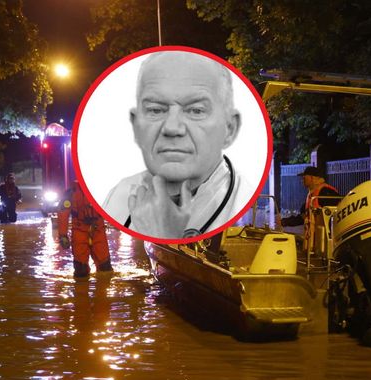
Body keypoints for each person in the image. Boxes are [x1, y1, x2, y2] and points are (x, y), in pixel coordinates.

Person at [102, 50, 256, 239]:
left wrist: (162, 236)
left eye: (196, 110)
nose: (172, 128)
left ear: (229, 129)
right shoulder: (118, 195)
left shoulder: (245, 205)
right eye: (156, 110)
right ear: (136, 126)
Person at [58, 181, 113, 278]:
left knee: (105, 268)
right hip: (80, 230)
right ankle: (82, 291)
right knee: (81, 270)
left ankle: (102, 289)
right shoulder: (71, 193)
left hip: (98, 229)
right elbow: (63, 213)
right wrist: (63, 235)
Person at [281, 166, 340, 249]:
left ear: (312, 178)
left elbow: (334, 217)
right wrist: (285, 222)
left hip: (325, 244)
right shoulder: (312, 195)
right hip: (316, 243)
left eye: (304, 177)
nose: (302, 180)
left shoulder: (326, 192)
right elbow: (304, 217)